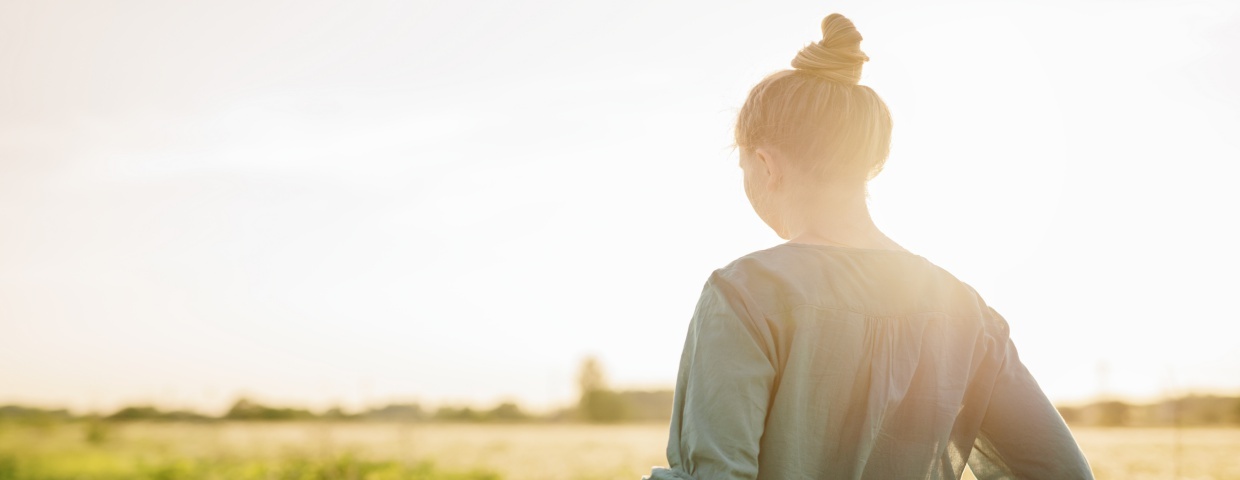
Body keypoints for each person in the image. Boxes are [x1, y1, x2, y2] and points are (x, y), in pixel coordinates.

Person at [643, 13, 1094, 480]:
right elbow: (1064, 473)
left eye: (743, 168)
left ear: (766, 164)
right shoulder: (962, 308)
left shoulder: (742, 295)